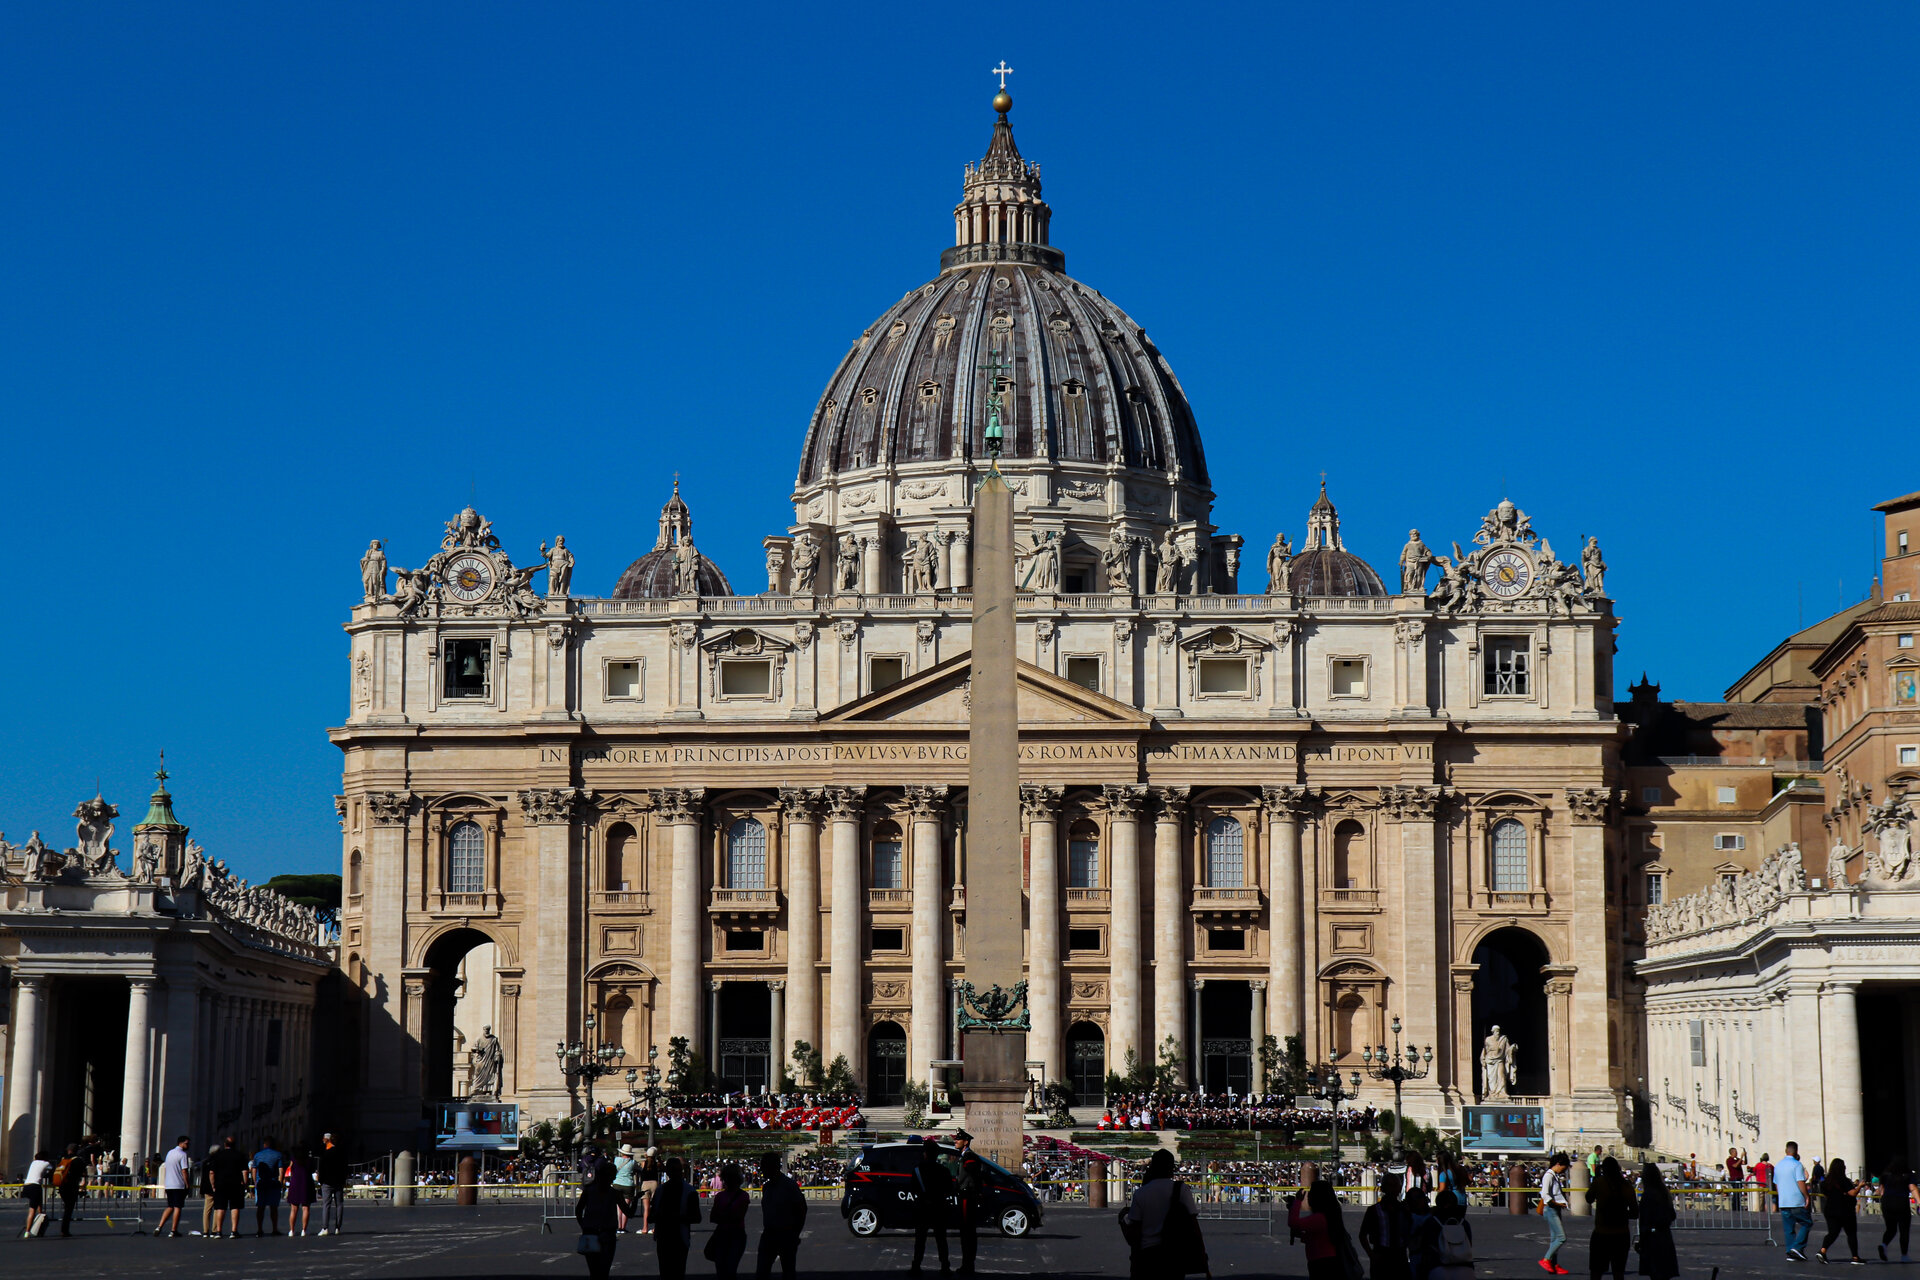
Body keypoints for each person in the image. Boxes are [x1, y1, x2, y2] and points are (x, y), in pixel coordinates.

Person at [1121, 1148, 1205, 1280]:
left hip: (1148, 1253)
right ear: (1171, 1168)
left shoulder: (1141, 1193)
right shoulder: (1181, 1189)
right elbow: (1193, 1222)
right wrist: (1201, 1251)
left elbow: (1135, 1227)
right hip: (1174, 1251)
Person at [755, 1150, 807, 1280]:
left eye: (764, 1166)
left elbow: (801, 1209)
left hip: (786, 1234)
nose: (762, 1170)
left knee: (788, 1271)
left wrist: (795, 1233)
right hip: (769, 1233)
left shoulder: (789, 1186)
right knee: (762, 1271)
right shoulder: (766, 1187)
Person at [1585, 1157, 1639, 1280]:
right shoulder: (1626, 1186)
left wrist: (1596, 1177)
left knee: (1596, 1272)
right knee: (1618, 1272)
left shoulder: (1599, 1183)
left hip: (1601, 1233)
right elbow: (1635, 1213)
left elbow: (1588, 1198)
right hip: (1621, 1234)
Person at [1287, 1178, 1350, 1280]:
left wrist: (1297, 1202)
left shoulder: (1319, 1218)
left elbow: (1293, 1223)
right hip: (1328, 1259)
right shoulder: (1330, 1215)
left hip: (1320, 1261)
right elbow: (1318, 1237)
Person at [910, 1137, 955, 1274]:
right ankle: (945, 1266)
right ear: (936, 1155)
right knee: (941, 1239)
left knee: (920, 1240)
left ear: (925, 1153)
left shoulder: (917, 1170)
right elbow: (949, 1189)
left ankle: (916, 1265)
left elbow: (913, 1188)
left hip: (923, 1207)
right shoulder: (944, 1171)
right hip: (939, 1206)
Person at [654, 1156, 700, 1279]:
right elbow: (697, 1217)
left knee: (666, 1271)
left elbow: (653, 1214)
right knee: (676, 1271)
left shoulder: (660, 1191)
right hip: (675, 1236)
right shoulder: (690, 1191)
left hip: (670, 1236)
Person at [1412, 1188, 1474, 1280]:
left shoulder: (1431, 1222)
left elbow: (1425, 1248)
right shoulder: (1464, 1224)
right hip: (1465, 1269)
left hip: (1438, 1268)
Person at [575, 1161, 623, 1280]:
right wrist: (637, 1198)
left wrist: (583, 1225)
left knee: (594, 1271)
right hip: (607, 1232)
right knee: (604, 1270)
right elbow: (630, 1213)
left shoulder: (589, 1190)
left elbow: (579, 1210)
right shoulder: (614, 1193)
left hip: (590, 1231)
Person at [1357, 1173, 1409, 1280]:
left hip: (1400, 1256)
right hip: (1381, 1255)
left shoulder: (1404, 1210)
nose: (1392, 1189)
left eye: (1395, 1185)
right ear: (1383, 1188)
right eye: (1389, 1185)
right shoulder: (1373, 1210)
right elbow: (1362, 1235)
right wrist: (1371, 1255)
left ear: (1400, 1188)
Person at [1818, 1157, 1865, 1264]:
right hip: (1845, 1210)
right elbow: (1852, 1193)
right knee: (1851, 1233)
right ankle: (1855, 1257)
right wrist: (1860, 1186)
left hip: (1830, 1210)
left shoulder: (1826, 1182)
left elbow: (1825, 1194)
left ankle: (1823, 1250)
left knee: (1832, 1232)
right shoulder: (1844, 1180)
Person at [1636, 1162, 1678, 1280]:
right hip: (1665, 1235)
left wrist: (1642, 1241)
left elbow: (1645, 1220)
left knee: (1655, 1273)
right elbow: (1672, 1215)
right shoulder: (1664, 1193)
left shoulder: (1648, 1195)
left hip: (1652, 1237)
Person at [708, 1162, 750, 1279]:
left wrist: (723, 1216)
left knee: (721, 1270)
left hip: (722, 1233)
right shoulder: (744, 1196)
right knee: (731, 1270)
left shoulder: (720, 1197)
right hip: (737, 1233)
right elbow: (738, 1216)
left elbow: (714, 1217)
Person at [206, 1135, 250, 1239]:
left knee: (220, 1208)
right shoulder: (240, 1155)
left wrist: (213, 1185)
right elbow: (244, 1171)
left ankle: (218, 1231)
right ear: (235, 1145)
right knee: (235, 1207)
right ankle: (234, 1231)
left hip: (220, 1184)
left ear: (225, 1144)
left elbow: (211, 1172)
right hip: (236, 1184)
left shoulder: (218, 1155)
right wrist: (245, 1184)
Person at [953, 1129, 985, 1275]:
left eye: (958, 1139)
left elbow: (974, 1175)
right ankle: (967, 1264)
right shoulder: (964, 1156)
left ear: (965, 1142)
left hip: (967, 1197)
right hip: (965, 1196)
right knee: (966, 1233)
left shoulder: (969, 1157)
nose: (955, 1141)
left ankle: (968, 1265)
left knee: (967, 1232)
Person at [1776, 1141, 1813, 1261]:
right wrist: (1806, 1196)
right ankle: (1797, 1247)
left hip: (1784, 1200)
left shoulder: (1778, 1165)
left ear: (1786, 1150)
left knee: (1789, 1228)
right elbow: (1800, 1181)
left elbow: (1776, 1184)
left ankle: (1790, 1251)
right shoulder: (1797, 1165)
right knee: (1807, 1223)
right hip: (1796, 1200)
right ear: (1796, 1151)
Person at [1540, 1151, 1572, 1275]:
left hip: (1555, 1209)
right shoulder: (1549, 1175)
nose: (1564, 1171)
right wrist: (1557, 1204)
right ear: (1558, 1164)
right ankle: (1546, 1259)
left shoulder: (1554, 1175)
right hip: (1551, 1209)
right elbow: (1545, 1194)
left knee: (1554, 1239)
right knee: (1561, 1238)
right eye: (1563, 1168)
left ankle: (1554, 1265)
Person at [156, 1135, 193, 1238]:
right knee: (178, 1207)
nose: (188, 1145)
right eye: (186, 1143)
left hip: (169, 1184)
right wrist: (187, 1184)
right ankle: (173, 1230)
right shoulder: (182, 1154)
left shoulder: (170, 1153)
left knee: (170, 1206)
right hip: (178, 1184)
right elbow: (184, 1170)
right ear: (180, 1143)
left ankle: (159, 1226)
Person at [1880, 1160, 1915, 1262]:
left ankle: (1883, 1245)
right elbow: (1912, 1188)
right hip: (1901, 1203)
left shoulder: (1885, 1176)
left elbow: (1881, 1190)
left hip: (1887, 1203)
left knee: (1891, 1229)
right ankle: (1904, 1255)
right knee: (1904, 1230)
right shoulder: (1907, 1175)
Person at [316, 1131, 348, 1237]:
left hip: (327, 1182)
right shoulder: (341, 1152)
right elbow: (344, 1167)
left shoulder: (325, 1153)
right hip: (338, 1181)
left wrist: (321, 1180)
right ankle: (338, 1227)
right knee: (339, 1204)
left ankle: (325, 1227)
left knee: (326, 1205)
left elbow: (321, 1168)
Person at [252, 1135, 284, 1236]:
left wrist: (255, 1182)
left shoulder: (257, 1155)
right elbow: (281, 1170)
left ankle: (259, 1229)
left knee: (260, 1207)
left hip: (261, 1183)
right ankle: (274, 1229)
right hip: (273, 1183)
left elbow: (254, 1169)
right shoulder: (278, 1155)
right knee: (273, 1207)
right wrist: (280, 1181)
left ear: (264, 1144)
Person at [285, 1146, 316, 1237]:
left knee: (294, 1209)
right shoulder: (309, 1160)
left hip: (295, 1184)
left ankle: (292, 1230)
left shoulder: (293, 1160)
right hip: (306, 1184)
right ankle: (304, 1230)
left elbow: (289, 1169)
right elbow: (312, 1170)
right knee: (306, 1208)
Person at [20, 1149, 50, 1239]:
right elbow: (51, 1170)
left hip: (27, 1186)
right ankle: (28, 1231)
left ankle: (36, 1224)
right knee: (32, 1210)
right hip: (35, 1186)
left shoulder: (33, 1163)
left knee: (38, 1205)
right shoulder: (46, 1163)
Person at [613, 1145, 639, 1232]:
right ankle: (623, 1227)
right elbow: (639, 1169)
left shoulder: (616, 1160)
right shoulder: (633, 1162)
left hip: (617, 1184)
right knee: (626, 1207)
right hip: (628, 1185)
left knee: (619, 1208)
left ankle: (619, 1226)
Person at [639, 1147, 663, 1234]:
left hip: (645, 1184)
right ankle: (655, 1228)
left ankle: (645, 1228)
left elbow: (646, 1163)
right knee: (656, 1207)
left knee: (646, 1208)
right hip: (654, 1184)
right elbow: (663, 1167)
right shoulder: (657, 1164)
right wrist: (659, 1159)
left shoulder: (643, 1163)